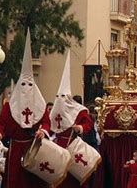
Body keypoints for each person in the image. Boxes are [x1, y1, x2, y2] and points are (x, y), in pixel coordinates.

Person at [0, 30, 51, 188]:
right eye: (23, 85)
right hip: (15, 149)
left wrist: (42, 131)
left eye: (29, 85)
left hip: (34, 149)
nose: (26, 88)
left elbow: (46, 123)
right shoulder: (10, 106)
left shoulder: (40, 105)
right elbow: (1, 124)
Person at [49, 51, 93, 188]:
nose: (61, 100)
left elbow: (88, 125)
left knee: (73, 180)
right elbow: (49, 127)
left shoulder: (79, 111)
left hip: (73, 146)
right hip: (57, 148)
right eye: (59, 97)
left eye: (64, 96)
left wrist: (79, 128)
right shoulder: (53, 111)